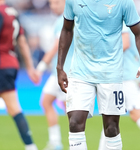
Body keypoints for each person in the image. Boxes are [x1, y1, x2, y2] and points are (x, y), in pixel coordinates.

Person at [57, 0, 140, 149]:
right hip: (80, 72)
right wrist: (59, 66)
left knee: (111, 128)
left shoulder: (124, 2)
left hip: (111, 73)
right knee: (74, 123)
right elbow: (66, 30)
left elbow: (139, 33)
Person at [98, 24, 140, 150]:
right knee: (109, 117)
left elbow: (125, 43)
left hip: (125, 76)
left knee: (136, 114)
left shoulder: (119, 20)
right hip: (119, 76)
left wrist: (101, 54)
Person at [0, 1, 40, 150]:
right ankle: (31, 146)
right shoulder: (13, 12)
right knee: (14, 109)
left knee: (14, 108)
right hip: (10, 64)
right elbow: (22, 42)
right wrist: (30, 67)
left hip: (1, 63)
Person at [36, 0, 74, 149]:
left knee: (69, 109)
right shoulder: (62, 20)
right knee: (46, 101)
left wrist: (41, 66)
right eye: (51, 3)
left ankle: (75, 143)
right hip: (57, 72)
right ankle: (56, 142)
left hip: (65, 72)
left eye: (57, 2)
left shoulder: (64, 20)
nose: (53, 6)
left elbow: (57, 46)